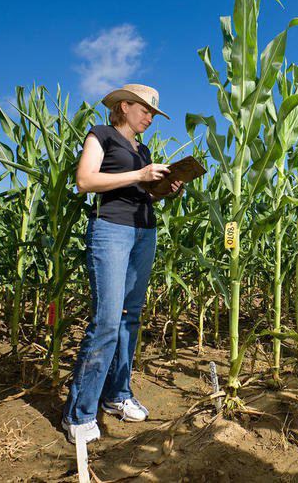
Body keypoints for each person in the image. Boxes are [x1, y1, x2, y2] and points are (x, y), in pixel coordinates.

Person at [61, 84, 182, 444]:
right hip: (110, 230)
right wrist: (139, 176)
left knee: (131, 318)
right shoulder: (102, 135)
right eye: (144, 110)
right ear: (124, 106)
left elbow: (143, 193)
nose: (149, 117)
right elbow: (85, 181)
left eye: (153, 114)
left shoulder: (142, 150)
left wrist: (165, 189)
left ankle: (117, 395)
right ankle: (79, 413)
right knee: (108, 321)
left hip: (144, 232)